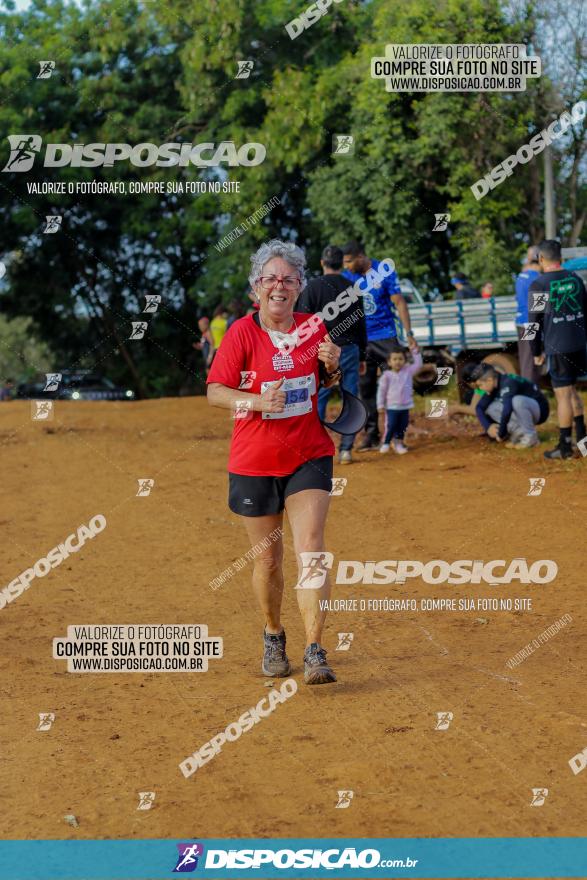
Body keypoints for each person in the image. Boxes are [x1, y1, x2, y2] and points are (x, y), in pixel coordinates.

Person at [207, 239, 342, 685]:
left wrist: (333, 366)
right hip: (254, 460)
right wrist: (256, 401)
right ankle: (273, 633)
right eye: (271, 279)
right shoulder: (241, 334)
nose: (279, 286)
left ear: (300, 286)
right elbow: (215, 391)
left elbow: (323, 382)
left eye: (288, 279)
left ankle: (316, 649)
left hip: (309, 454)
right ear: (256, 288)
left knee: (312, 551)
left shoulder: (313, 328)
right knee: (268, 560)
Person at [342, 240, 418, 451]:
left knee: (397, 386)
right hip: (362, 340)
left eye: (349, 262)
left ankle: (397, 436)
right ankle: (371, 434)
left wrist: (409, 334)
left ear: (360, 257)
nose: (346, 266)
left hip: (386, 337)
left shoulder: (384, 271)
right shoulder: (348, 277)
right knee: (365, 387)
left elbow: (399, 302)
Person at [296, 244, 367, 464]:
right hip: (348, 348)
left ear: (322, 263)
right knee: (350, 395)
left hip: (321, 349)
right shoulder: (353, 287)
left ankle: (315, 447)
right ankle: (346, 449)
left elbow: (302, 322)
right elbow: (360, 324)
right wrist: (363, 355)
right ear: (342, 263)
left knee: (318, 396)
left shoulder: (313, 287)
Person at [528, 239, 587, 460]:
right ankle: (583, 443)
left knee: (562, 395)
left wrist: (535, 351)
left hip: (558, 347)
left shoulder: (539, 285)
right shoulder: (576, 279)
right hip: (579, 345)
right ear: (561, 257)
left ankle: (564, 447)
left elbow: (534, 322)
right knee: (572, 392)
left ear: (541, 259)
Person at [471, 364, 549, 449]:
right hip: (525, 410)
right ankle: (519, 432)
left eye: (480, 385)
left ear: (489, 380)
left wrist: (501, 433)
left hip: (540, 410)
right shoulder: (494, 386)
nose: (480, 389)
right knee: (491, 408)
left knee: (516, 400)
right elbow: (479, 408)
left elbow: (507, 411)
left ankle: (531, 436)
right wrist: (488, 427)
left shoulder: (508, 382)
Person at [376, 345, 423, 454]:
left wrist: (415, 351)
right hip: (391, 407)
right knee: (391, 425)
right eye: (395, 359)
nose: (398, 362)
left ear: (405, 361)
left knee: (402, 426)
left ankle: (399, 444)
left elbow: (418, 365)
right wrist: (380, 405)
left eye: (401, 359)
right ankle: (386, 443)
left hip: (405, 406)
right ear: (389, 362)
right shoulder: (386, 376)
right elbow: (381, 392)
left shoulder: (408, 371)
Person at [515, 246, 541, 383]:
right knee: (531, 361)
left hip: (522, 322)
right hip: (531, 322)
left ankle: (531, 390)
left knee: (527, 360)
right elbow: (539, 308)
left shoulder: (521, 276)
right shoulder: (538, 279)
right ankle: (530, 392)